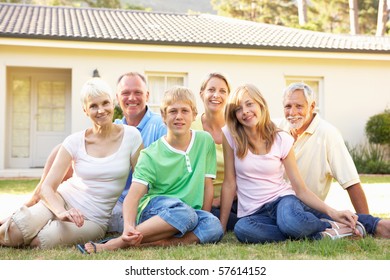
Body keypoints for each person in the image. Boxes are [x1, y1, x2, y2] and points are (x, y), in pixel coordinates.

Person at [12, 72, 167, 233]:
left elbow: (157, 177)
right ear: (117, 99)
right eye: (125, 93)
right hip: (97, 197)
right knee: (60, 149)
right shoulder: (116, 125)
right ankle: (35, 201)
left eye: (138, 92)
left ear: (147, 95)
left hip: (123, 203)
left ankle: (38, 211)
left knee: (40, 232)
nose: (132, 98)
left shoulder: (159, 127)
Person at [80, 85, 224, 253]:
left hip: (190, 214)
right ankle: (117, 243)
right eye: (172, 111)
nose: (179, 117)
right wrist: (128, 226)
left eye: (184, 111)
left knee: (214, 225)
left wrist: (203, 217)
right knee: (185, 213)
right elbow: (133, 198)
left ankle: (163, 243)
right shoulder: (150, 154)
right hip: (156, 211)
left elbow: (207, 185)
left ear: (194, 115)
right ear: (163, 116)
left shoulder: (205, 141)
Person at [219, 84, 365, 244]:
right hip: (253, 212)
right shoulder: (230, 135)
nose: (245, 111)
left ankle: (327, 223)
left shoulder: (281, 139)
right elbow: (229, 183)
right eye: (238, 109)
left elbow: (300, 190)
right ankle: (322, 233)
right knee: (243, 229)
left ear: (260, 104)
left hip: (282, 201)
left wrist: (333, 212)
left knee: (290, 223)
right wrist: (222, 227)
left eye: (249, 104)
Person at [278, 82, 390, 238]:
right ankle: (334, 228)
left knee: (291, 223)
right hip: (273, 204)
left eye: (299, 106)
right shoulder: (276, 129)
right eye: (288, 106)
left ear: (312, 106)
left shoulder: (328, 134)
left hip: (306, 208)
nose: (292, 112)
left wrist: (366, 223)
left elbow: (351, 182)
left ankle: (370, 225)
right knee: (244, 226)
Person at [191, 72, 238, 231]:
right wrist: (210, 201)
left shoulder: (237, 128)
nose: (216, 95)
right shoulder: (190, 127)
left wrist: (222, 200)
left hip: (235, 199)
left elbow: (247, 171)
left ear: (228, 96)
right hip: (200, 201)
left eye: (222, 91)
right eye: (211, 90)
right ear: (202, 93)